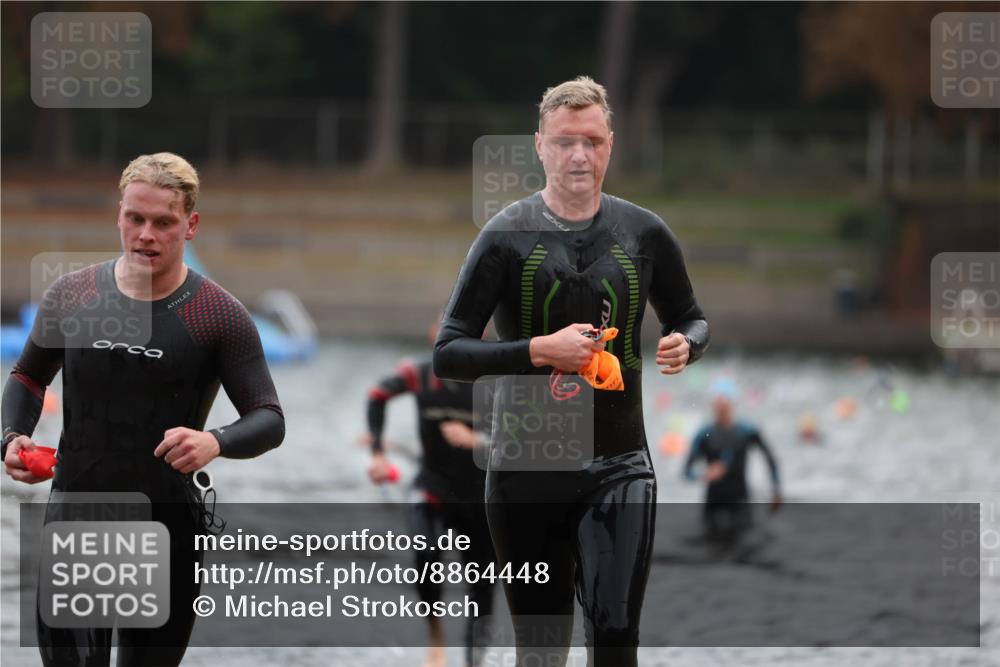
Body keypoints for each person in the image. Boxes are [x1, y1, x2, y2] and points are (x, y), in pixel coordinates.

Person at [433, 77, 709, 667]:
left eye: (591, 141)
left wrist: (688, 343)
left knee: (614, 638)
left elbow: (691, 317)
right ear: (540, 146)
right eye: (564, 142)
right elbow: (449, 353)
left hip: (620, 464)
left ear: (611, 144)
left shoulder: (645, 233)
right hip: (525, 468)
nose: (578, 155)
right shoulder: (505, 236)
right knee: (541, 651)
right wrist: (538, 351)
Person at [2, 153, 285, 666]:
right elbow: (26, 377)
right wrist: (11, 438)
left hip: (167, 530)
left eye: (163, 222)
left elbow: (269, 418)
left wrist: (214, 441)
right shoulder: (73, 295)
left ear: (190, 225)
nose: (146, 234)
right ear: (119, 215)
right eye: (135, 218)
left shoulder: (218, 315)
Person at [366, 320, 495, 667]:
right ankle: (436, 637)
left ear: (482, 340)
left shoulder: (497, 381)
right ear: (434, 337)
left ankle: (474, 661)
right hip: (432, 486)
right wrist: (378, 453)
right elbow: (377, 396)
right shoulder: (418, 374)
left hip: (481, 499)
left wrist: (478, 441)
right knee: (425, 553)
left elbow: (532, 438)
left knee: (482, 587)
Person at [684, 378, 782, 540]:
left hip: (740, 500)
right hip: (713, 502)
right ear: (712, 404)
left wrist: (776, 490)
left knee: (744, 545)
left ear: (733, 404)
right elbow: (686, 472)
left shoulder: (747, 431)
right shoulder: (704, 435)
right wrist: (705, 474)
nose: (721, 407)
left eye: (725, 402)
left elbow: (770, 458)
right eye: (717, 402)